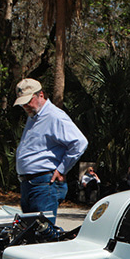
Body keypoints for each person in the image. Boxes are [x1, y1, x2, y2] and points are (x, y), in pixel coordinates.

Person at [14, 78, 88, 223]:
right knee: (30, 230)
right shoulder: (34, 116)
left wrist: (62, 169)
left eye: (28, 101)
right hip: (30, 184)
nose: (25, 106)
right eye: (22, 103)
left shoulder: (54, 116)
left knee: (43, 230)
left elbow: (79, 142)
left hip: (44, 184)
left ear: (40, 95)